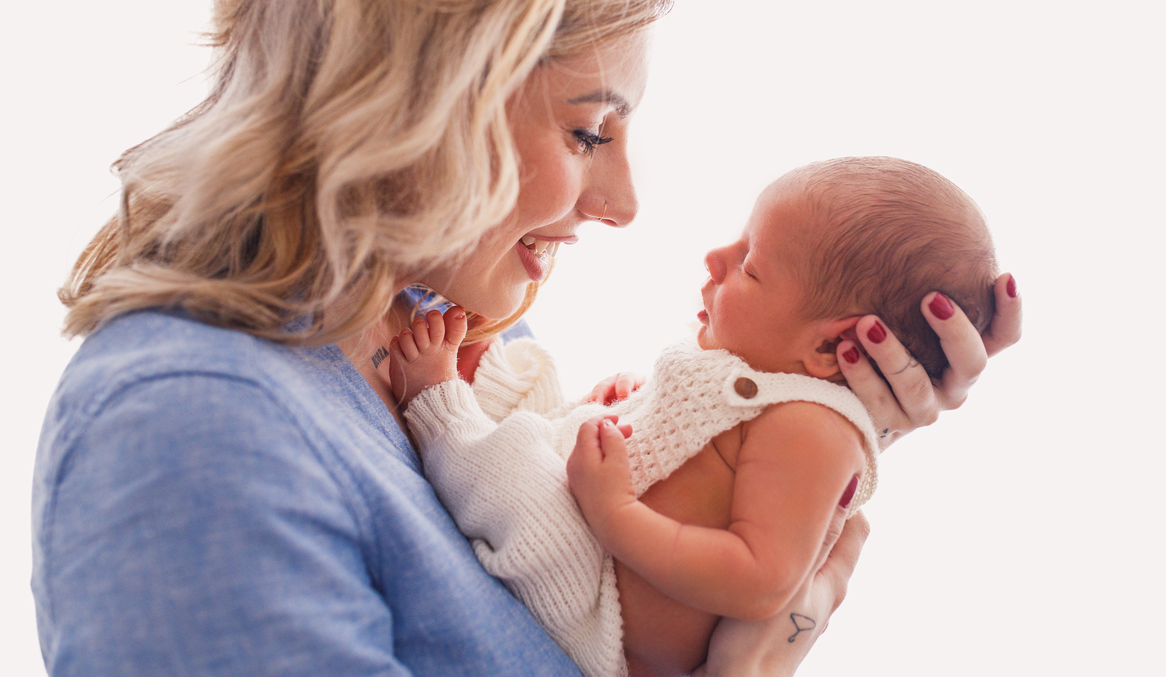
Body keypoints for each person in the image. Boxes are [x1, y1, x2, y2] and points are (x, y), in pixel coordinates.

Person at [31, 0, 1021, 676]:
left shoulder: (467, 333)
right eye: (590, 131)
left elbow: (625, 571)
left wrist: (828, 408)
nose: (626, 202)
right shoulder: (189, 428)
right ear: (412, 104)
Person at [386, 156, 1011, 677]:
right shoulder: (767, 378)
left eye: (751, 265)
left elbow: (760, 579)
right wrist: (635, 403)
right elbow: (700, 457)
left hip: (602, 612)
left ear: (827, 349)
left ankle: (440, 407)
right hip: (601, 539)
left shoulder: (816, 427)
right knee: (541, 381)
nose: (716, 258)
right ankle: (481, 372)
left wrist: (618, 514)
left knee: (517, 469)